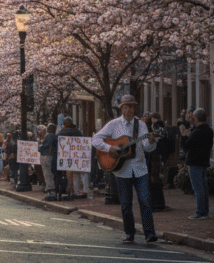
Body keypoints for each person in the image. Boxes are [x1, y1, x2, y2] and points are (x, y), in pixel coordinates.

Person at [92, 95, 158, 244]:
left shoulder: (141, 125)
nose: (129, 110)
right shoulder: (113, 125)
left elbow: (147, 147)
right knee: (126, 204)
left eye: (132, 107)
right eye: (126, 107)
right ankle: (129, 233)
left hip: (140, 168)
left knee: (145, 201)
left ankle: (149, 234)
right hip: (122, 171)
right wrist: (110, 148)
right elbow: (95, 139)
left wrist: (152, 141)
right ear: (121, 108)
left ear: (135, 109)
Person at [181, 108, 213, 220]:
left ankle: (200, 212)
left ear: (196, 118)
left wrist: (184, 135)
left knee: (198, 188)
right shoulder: (208, 129)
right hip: (204, 160)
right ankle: (205, 211)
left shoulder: (198, 132)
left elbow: (185, 145)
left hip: (195, 161)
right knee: (203, 187)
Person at [58, 118, 86, 198]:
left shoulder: (62, 131)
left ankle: (70, 188)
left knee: (70, 173)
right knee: (79, 174)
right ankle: (81, 190)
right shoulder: (77, 131)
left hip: (67, 156)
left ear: (65, 124)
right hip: (78, 156)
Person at [39, 124, 57, 199]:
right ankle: (50, 188)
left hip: (47, 155)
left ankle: (50, 189)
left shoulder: (49, 135)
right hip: (51, 155)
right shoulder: (54, 136)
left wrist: (39, 147)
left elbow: (46, 146)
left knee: (47, 173)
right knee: (49, 173)